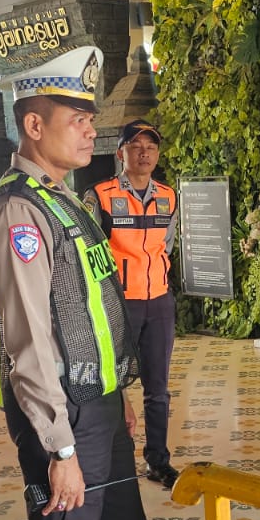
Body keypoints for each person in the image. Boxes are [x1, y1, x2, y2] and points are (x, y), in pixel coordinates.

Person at [0, 45, 149, 520]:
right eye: (78, 120)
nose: (91, 131)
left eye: (90, 119)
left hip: (97, 405)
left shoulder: (62, 200)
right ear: (34, 126)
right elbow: (28, 340)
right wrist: (61, 448)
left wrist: (115, 394)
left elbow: (87, 311)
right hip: (63, 417)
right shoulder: (19, 212)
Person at [84, 118, 180, 488]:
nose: (144, 153)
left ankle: (159, 461)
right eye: (136, 146)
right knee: (112, 383)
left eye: (151, 147)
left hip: (159, 302)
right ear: (120, 152)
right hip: (118, 304)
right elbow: (90, 253)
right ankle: (114, 462)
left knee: (158, 389)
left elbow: (166, 244)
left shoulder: (168, 196)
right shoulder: (101, 195)